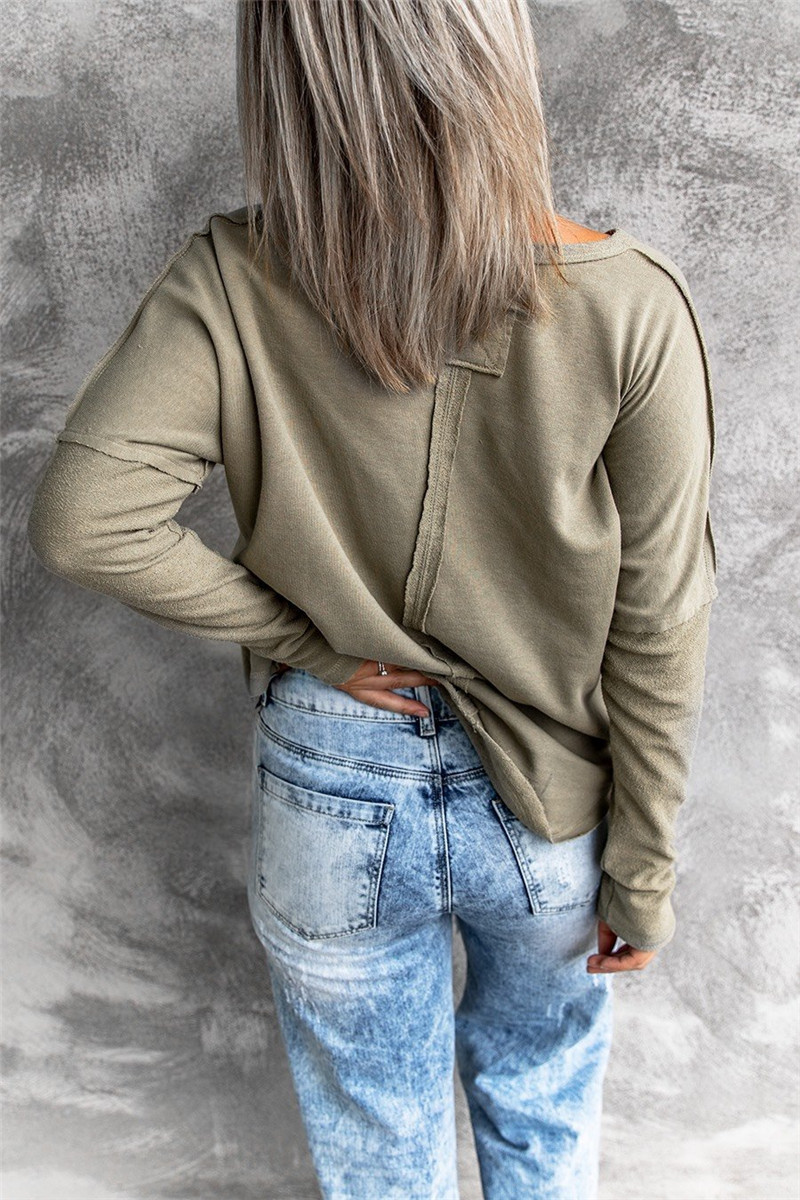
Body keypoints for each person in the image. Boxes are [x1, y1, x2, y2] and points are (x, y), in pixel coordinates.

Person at [26, 1, 719, 1196]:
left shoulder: (231, 277)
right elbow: (659, 621)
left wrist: (305, 640)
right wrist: (643, 871)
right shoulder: (631, 303)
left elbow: (87, 520)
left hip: (331, 781)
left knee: (376, 1151)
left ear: (286, 73)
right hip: (551, 796)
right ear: (493, 48)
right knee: (541, 1114)